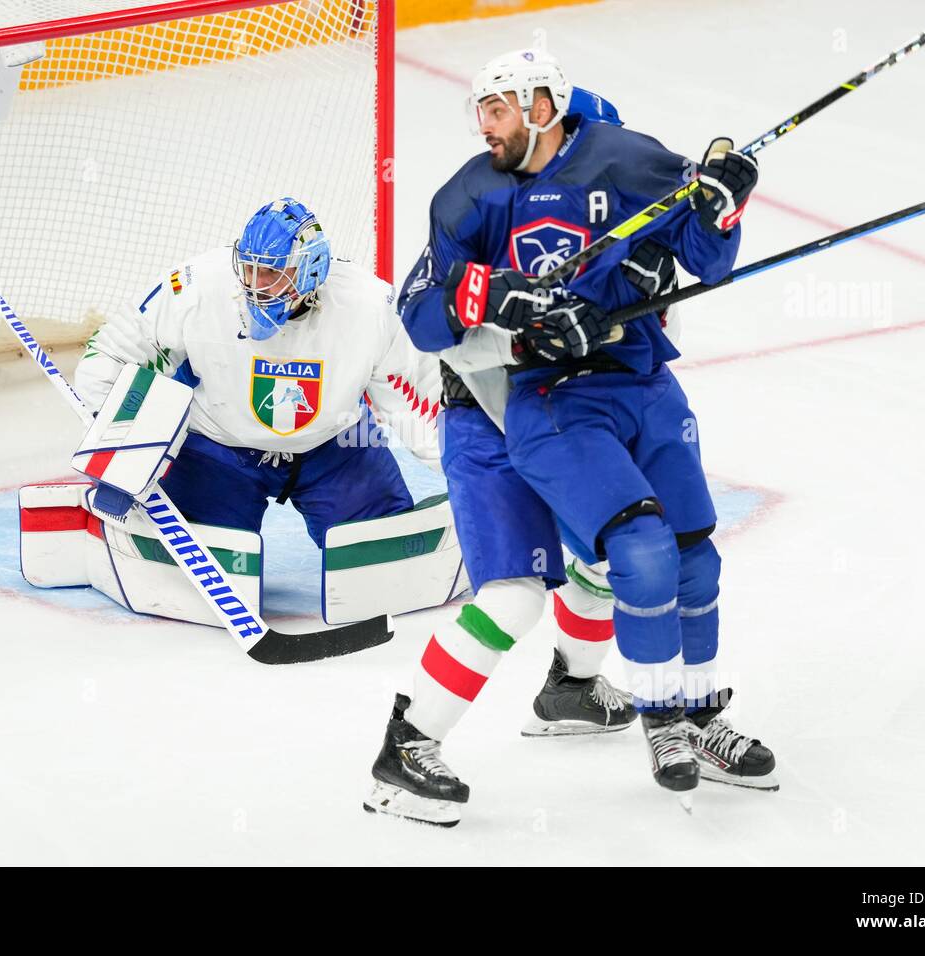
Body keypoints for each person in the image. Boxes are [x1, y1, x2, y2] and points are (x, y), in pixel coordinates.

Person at [364, 43, 776, 826]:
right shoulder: (476, 202)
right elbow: (425, 318)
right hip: (486, 412)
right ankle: (406, 746)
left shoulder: (623, 203)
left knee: (616, 556)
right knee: (517, 594)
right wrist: (507, 305)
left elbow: (691, 268)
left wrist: (714, 214)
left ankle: (573, 690)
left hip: (571, 411)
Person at [68, 197, 449, 620]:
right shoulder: (196, 286)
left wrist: (478, 481)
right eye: (248, 268)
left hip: (335, 449)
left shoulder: (370, 305)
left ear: (311, 269)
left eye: (270, 272)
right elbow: (108, 355)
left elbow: (423, 402)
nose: (254, 283)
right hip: (219, 451)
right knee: (196, 587)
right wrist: (132, 445)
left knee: (384, 571)